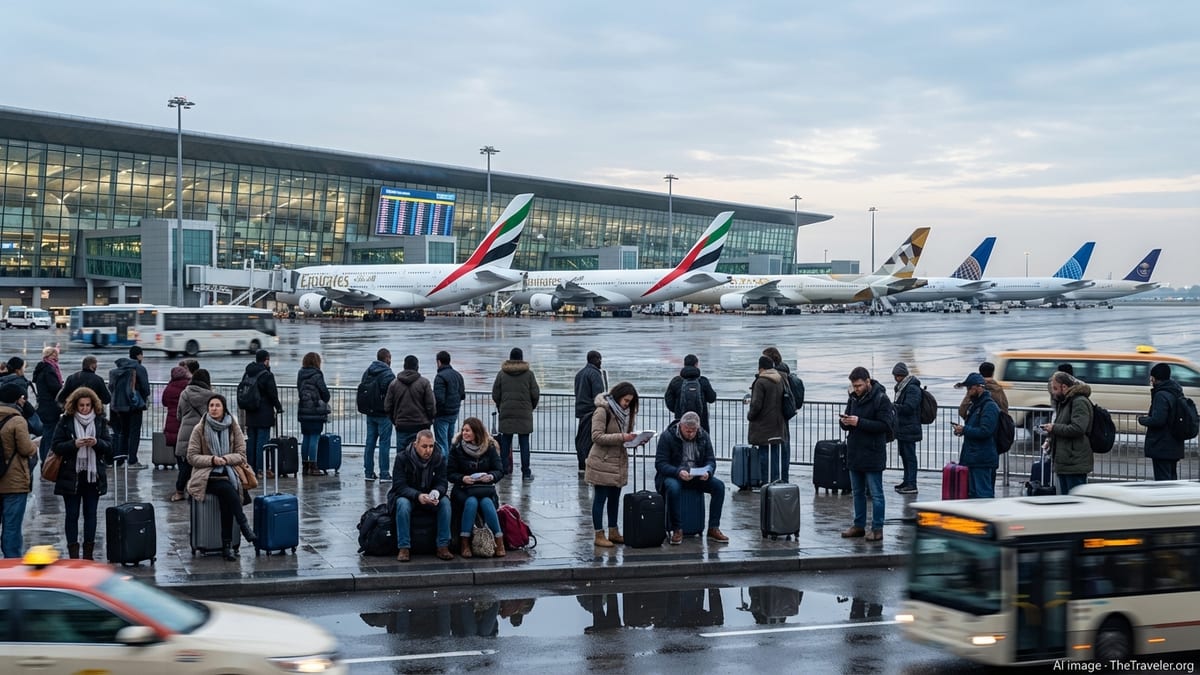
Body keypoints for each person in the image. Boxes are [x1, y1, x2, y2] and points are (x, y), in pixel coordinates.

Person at [186, 393, 256, 561]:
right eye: (211, 406)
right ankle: (242, 528)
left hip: (228, 472)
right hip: (206, 476)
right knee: (228, 490)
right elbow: (192, 457)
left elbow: (241, 454)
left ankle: (227, 546)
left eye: (217, 405)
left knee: (227, 496)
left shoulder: (233, 427)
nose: (214, 409)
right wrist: (212, 460)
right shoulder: (200, 428)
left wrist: (225, 459)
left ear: (224, 408)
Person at [50, 386, 112, 560]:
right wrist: (74, 444)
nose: (85, 408)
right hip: (71, 475)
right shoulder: (65, 421)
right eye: (81, 405)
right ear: (75, 405)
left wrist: (96, 442)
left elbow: (109, 446)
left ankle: (88, 555)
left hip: (93, 476)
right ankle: (73, 555)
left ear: (93, 405)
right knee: (72, 515)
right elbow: (56, 446)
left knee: (90, 515)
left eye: (88, 405)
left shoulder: (100, 421)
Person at [654, 411, 728, 545]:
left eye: (694, 431)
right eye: (688, 431)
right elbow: (660, 463)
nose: (691, 434)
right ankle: (677, 528)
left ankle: (713, 527)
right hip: (674, 475)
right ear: (681, 426)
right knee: (673, 488)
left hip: (696, 475)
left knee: (719, 486)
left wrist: (708, 471)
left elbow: (711, 460)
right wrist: (678, 472)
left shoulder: (703, 436)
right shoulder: (667, 436)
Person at [839, 366, 892, 542]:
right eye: (854, 386)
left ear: (868, 382)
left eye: (859, 385)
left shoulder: (881, 398)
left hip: (873, 452)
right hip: (855, 451)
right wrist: (845, 422)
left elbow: (885, 425)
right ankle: (858, 525)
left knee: (876, 494)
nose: (856, 389)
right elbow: (849, 421)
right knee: (857, 492)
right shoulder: (853, 398)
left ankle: (877, 528)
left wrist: (859, 422)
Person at [585, 381, 639, 548]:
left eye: (630, 402)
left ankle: (613, 531)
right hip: (602, 461)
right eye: (626, 400)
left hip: (618, 461)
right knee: (600, 498)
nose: (627, 404)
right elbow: (596, 436)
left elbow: (625, 436)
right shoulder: (602, 410)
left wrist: (636, 440)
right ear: (618, 396)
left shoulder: (626, 413)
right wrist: (622, 437)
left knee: (615, 498)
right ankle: (599, 534)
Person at [387, 430, 453, 562]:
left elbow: (442, 482)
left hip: (429, 495)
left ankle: (443, 545)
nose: (428, 450)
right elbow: (399, 485)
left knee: (445, 503)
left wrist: (436, 492)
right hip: (409, 496)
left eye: (431, 446)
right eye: (424, 446)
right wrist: (417, 495)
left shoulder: (439, 457)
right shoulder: (402, 458)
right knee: (403, 504)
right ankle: (404, 547)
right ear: (415, 444)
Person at [447, 416, 505, 558]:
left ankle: (499, 540)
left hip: (484, 488)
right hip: (463, 489)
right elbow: (450, 473)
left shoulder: (489, 447)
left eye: (468, 430)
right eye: (463, 430)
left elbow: (499, 470)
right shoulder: (457, 448)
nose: (464, 433)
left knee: (486, 502)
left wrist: (490, 476)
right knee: (471, 502)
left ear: (476, 432)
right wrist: (462, 478)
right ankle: (465, 542)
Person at [1040, 371, 1094, 495]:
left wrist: (1053, 428)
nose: (1053, 392)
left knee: (1075, 499)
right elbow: (1062, 424)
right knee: (1066, 499)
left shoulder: (1079, 401)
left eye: (1055, 388)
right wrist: (1050, 439)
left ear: (1064, 387)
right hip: (1065, 461)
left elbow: (1078, 428)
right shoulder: (1065, 402)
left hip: (1074, 461)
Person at [492, 347, 540, 482]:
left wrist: (501, 406)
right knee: (524, 444)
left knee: (505, 443)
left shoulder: (502, 374)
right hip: (524, 414)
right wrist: (530, 408)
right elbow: (535, 394)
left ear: (510, 357)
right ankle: (526, 473)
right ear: (521, 358)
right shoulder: (529, 374)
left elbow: (495, 394)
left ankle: (504, 471)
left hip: (506, 413)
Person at [0, 383, 37, 557]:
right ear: (16, 399)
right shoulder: (17, 420)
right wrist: (34, 446)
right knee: (11, 528)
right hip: (14, 482)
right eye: (22, 398)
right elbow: (25, 449)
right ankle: (11, 563)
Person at [950, 372, 1000, 498]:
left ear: (979, 387)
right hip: (973, 457)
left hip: (982, 459)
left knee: (982, 495)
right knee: (972, 495)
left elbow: (985, 431)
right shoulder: (976, 406)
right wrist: (962, 430)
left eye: (970, 388)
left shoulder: (989, 406)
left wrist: (965, 430)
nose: (968, 392)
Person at [1138, 363, 1187, 481]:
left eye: (1152, 377)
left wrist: (1142, 420)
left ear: (1155, 378)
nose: (1151, 380)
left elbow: (1158, 420)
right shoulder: (1175, 391)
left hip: (1162, 445)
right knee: (1171, 480)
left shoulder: (1161, 395)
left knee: (1163, 481)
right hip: (1174, 443)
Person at [239, 349, 284, 477]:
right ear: (266, 360)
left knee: (251, 441)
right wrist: (278, 407)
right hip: (264, 413)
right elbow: (272, 394)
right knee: (262, 442)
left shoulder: (247, 373)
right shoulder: (267, 375)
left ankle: (250, 467)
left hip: (250, 412)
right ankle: (261, 469)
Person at [172, 369, 212, 502]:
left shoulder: (184, 393)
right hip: (202, 434)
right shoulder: (211, 396)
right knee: (201, 463)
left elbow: (178, 415)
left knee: (185, 465)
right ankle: (195, 490)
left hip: (185, 432)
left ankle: (179, 491)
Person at [385, 355, 436, 457]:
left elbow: (387, 406)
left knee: (402, 456)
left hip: (402, 426)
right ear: (417, 367)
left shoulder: (394, 384)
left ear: (404, 366)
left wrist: (395, 420)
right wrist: (430, 419)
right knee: (421, 455)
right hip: (421, 425)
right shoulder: (424, 383)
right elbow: (431, 405)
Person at [108, 346, 150, 469]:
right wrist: (142, 398)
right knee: (134, 432)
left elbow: (111, 387)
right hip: (134, 405)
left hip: (120, 405)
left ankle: (121, 460)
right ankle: (132, 460)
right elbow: (146, 388)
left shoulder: (119, 368)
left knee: (123, 432)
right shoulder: (139, 368)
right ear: (139, 355)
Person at [747, 355, 787, 483]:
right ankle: (775, 482)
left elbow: (756, 405)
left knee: (764, 453)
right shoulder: (780, 379)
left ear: (761, 368)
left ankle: (765, 483)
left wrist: (750, 416)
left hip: (763, 425)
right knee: (775, 454)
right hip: (778, 423)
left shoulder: (761, 382)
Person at [360, 348, 396, 482]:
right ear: (387, 358)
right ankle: (384, 473)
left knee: (369, 442)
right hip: (384, 414)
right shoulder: (388, 374)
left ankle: (368, 472)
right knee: (384, 444)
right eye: (390, 357)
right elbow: (392, 394)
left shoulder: (368, 371)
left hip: (370, 412)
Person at [296, 352, 331, 476]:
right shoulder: (317, 374)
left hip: (303, 409)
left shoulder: (300, 374)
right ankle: (313, 466)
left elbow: (299, 390)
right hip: (316, 411)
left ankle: (305, 466)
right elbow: (325, 393)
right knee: (314, 437)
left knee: (306, 437)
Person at [664, 354, 717, 433]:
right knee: (701, 439)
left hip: (681, 421)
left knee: (681, 438)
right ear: (696, 364)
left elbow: (668, 400)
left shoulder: (676, 381)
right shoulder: (703, 381)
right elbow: (712, 398)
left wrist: (677, 410)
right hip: (701, 422)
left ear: (684, 364)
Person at [891, 362, 922, 495]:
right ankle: (907, 481)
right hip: (903, 427)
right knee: (904, 455)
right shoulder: (902, 387)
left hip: (910, 427)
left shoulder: (912, 388)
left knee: (909, 456)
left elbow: (909, 407)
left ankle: (912, 483)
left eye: (897, 375)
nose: (896, 378)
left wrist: (893, 407)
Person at [573, 351, 606, 473]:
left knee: (581, 439)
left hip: (581, 411)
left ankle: (582, 465)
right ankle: (588, 465)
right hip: (592, 411)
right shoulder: (595, 374)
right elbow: (598, 396)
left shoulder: (579, 374)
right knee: (590, 441)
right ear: (596, 359)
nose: (601, 362)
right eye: (599, 359)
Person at [433, 350, 466, 462]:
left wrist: (435, 412)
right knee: (449, 441)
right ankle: (450, 465)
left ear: (439, 362)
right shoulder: (458, 375)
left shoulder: (440, 377)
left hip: (442, 415)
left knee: (441, 443)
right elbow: (462, 395)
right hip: (454, 413)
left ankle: (444, 467)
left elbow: (439, 399)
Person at [32, 346, 63, 461]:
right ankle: (47, 461)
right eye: (54, 355)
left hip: (43, 406)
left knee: (45, 434)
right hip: (50, 407)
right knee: (50, 435)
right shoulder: (49, 369)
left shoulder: (40, 368)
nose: (56, 358)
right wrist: (63, 388)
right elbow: (55, 388)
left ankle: (43, 460)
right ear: (49, 356)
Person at [161, 363, 190, 466]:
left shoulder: (169, 387)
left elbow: (164, 402)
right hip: (185, 419)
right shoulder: (188, 386)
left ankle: (180, 466)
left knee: (175, 446)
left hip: (171, 420)